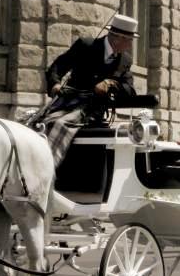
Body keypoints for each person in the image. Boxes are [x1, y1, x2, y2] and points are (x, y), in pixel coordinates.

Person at [30, 14, 137, 167]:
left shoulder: (125, 60)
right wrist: (55, 84)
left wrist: (110, 83)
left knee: (59, 124)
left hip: (91, 110)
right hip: (66, 100)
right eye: (129, 40)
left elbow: (130, 91)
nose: (130, 45)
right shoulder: (86, 45)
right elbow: (57, 67)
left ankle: (45, 167)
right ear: (118, 38)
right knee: (37, 123)